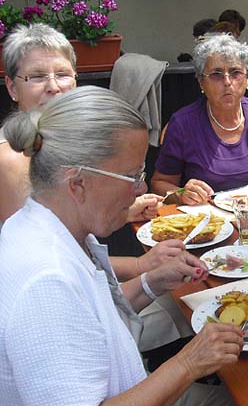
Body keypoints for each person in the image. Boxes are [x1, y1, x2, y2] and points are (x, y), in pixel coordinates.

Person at [0, 86, 243, 405]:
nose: (141, 188)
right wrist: (188, 363)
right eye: (132, 175)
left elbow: (91, 317)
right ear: (77, 183)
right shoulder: (46, 280)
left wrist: (151, 283)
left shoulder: (51, 227)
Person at [0, 23, 191, 353]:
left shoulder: (67, 147)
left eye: (63, 74)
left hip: (96, 303)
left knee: (192, 304)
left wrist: (126, 207)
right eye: (37, 76)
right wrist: (142, 266)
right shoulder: (11, 163)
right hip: (63, 327)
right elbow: (55, 257)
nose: (53, 87)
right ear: (11, 87)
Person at [151, 34, 248, 204]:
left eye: (236, 72)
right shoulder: (183, 124)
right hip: (207, 223)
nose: (227, 82)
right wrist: (181, 193)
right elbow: (159, 184)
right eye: (216, 74)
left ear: (247, 79)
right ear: (201, 83)